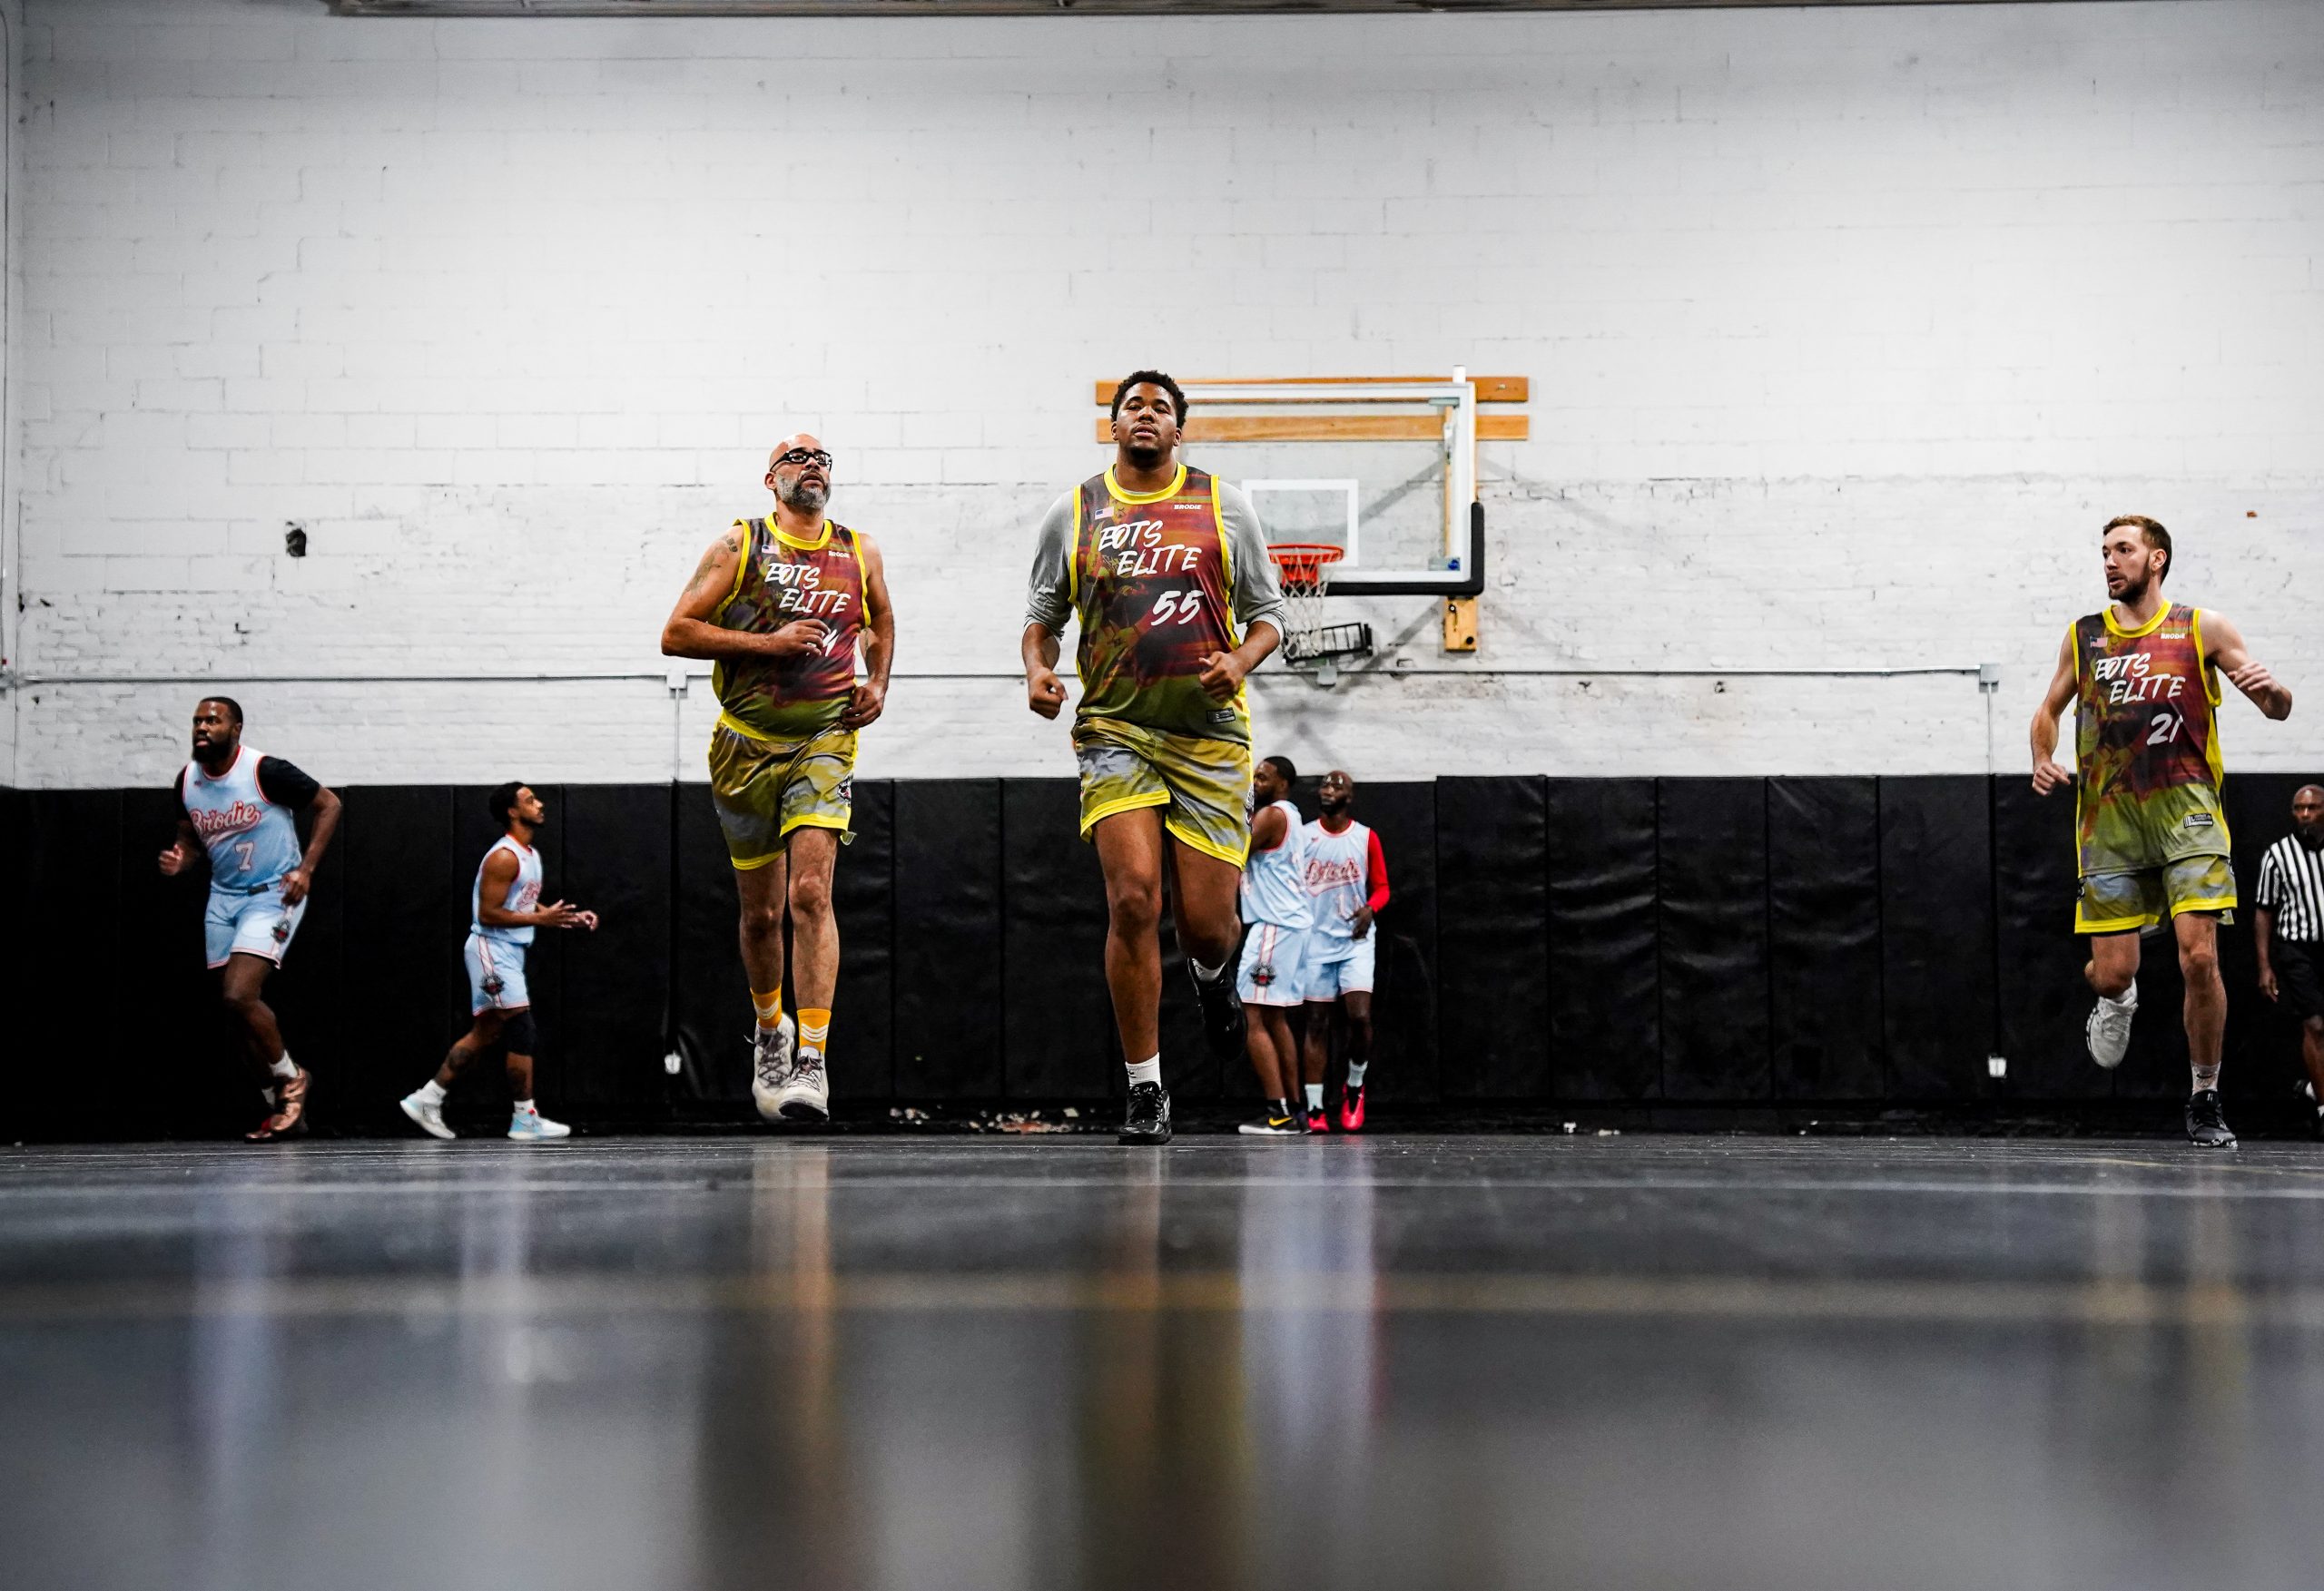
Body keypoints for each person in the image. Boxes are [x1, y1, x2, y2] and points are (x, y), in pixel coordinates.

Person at [1022, 370, 1287, 1144]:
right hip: (1117, 730)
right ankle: (1146, 1088)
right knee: (1134, 900)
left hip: (1208, 737)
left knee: (1205, 926)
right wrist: (1037, 669)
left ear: (1179, 430)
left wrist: (1239, 661)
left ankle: (1211, 975)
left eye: (1161, 407)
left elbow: (1270, 615)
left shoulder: (1223, 505)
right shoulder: (1074, 512)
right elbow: (1042, 619)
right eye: (1133, 405)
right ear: (1113, 426)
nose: (1146, 414)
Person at [2031, 515, 2293, 1146]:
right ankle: (2116, 999)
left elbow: (2277, 707)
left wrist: (2273, 694)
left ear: (2157, 559)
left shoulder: (2202, 627)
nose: (2109, 560)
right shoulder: (2084, 636)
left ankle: (2205, 1095)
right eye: (2104, 551)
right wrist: (2041, 755)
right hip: (2110, 823)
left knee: (2200, 956)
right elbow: (2048, 710)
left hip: (2188, 815)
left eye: (2123, 549)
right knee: (2114, 972)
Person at [661, 435, 896, 1125]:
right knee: (762, 914)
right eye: (797, 457)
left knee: (810, 894)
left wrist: (878, 680)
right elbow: (676, 632)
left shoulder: (859, 550)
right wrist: (769, 643)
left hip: (825, 740)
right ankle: (771, 1029)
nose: (813, 464)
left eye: (822, 457)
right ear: (771, 479)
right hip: (744, 745)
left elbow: (880, 619)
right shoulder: (740, 546)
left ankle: (813, 1060)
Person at [157, 697, 343, 1141]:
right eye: (197, 720)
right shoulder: (187, 780)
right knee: (234, 1012)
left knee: (240, 993)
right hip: (223, 898)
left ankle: (292, 1079)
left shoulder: (264, 771)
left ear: (236, 729)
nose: (202, 727)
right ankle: (279, 1106)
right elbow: (189, 839)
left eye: (213, 720)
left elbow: (330, 804)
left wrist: (306, 870)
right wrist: (181, 858)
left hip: (273, 893)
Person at [399, 783, 597, 1142]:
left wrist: (567, 917)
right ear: (512, 811)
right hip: (491, 949)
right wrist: (540, 920)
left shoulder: (529, 854)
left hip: (506, 951)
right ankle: (524, 1118)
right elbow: (488, 913)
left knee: (486, 1033)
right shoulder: (503, 857)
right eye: (530, 800)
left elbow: (522, 903)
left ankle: (426, 1099)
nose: (540, 805)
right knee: (522, 1028)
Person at [1299, 769, 1390, 1134]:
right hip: (1315, 942)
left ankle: (1354, 1087)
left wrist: (1371, 908)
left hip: (1355, 940)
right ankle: (1315, 1104)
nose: (1328, 789)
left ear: (1349, 797)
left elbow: (1382, 887)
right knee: (1316, 1024)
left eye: (1337, 785)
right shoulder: (1304, 836)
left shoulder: (1365, 837)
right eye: (1324, 784)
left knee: (1360, 1018)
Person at [1236, 755, 1311, 1137]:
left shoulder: (1271, 816)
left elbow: (1233, 849)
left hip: (1274, 927)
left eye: (1262, 777)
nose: (1255, 782)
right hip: (1293, 926)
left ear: (1283, 783)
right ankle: (1296, 1111)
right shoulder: (1293, 816)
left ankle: (1277, 1112)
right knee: (1275, 1019)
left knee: (1251, 1016)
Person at [2254, 784, 2324, 1136]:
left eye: (2312, 808)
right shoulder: (2278, 855)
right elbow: (2264, 911)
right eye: (2299, 809)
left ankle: (2313, 1087)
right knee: (2315, 1026)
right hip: (2298, 949)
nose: (2305, 815)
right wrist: (2264, 965)